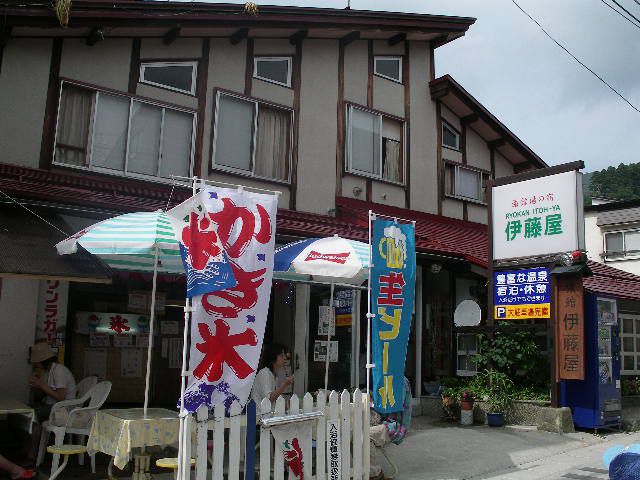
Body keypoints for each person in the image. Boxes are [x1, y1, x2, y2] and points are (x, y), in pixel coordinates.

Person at [23, 343, 77, 467]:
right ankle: (27, 446)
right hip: (51, 406)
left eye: (36, 362)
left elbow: (60, 397)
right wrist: (36, 386)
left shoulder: (59, 370)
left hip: (64, 409)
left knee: (34, 415)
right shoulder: (46, 372)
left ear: (42, 360)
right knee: (24, 410)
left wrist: (40, 384)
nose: (35, 365)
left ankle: (32, 455)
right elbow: (43, 396)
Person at [369, 377, 412, 480]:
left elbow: (392, 404)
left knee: (364, 435)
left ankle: (375, 473)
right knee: (356, 433)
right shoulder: (383, 377)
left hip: (394, 426)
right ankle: (369, 470)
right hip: (382, 422)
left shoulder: (400, 380)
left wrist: (373, 403)